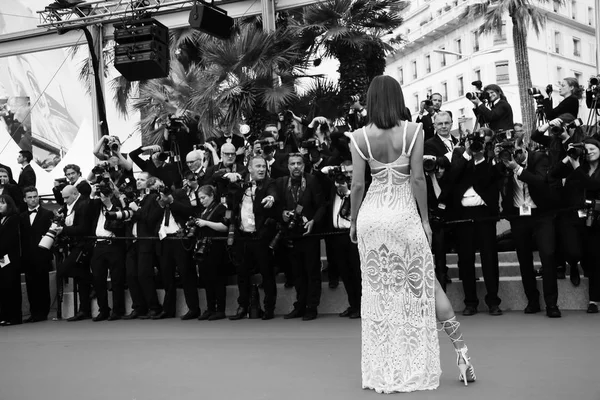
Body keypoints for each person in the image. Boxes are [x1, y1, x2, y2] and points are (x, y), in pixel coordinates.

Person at [349, 75, 475, 392]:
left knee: (380, 293)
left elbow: (358, 185)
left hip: (372, 219)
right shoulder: (413, 131)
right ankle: (462, 354)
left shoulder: (359, 137)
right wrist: (426, 221)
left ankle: (388, 365)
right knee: (426, 285)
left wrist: (352, 222)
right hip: (403, 216)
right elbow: (417, 179)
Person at [550, 138, 600, 313]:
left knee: (594, 260)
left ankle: (593, 300)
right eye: (587, 149)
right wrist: (567, 157)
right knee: (573, 251)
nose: (590, 151)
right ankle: (572, 264)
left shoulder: (582, 169)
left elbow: (593, 185)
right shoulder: (578, 165)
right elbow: (553, 174)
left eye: (593, 148)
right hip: (574, 217)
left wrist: (576, 166)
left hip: (596, 219)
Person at [192, 185, 229, 321]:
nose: (201, 200)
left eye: (204, 197)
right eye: (200, 198)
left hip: (216, 247)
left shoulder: (221, 208)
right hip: (203, 247)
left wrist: (206, 223)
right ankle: (210, 308)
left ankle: (220, 309)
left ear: (212, 195)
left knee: (218, 279)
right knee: (207, 279)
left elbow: (225, 227)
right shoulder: (203, 210)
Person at [20, 186, 54, 322]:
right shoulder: (21, 217)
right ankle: (34, 312)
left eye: (35, 196)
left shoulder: (47, 214)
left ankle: (43, 312)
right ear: (24, 199)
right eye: (30, 197)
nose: (33, 199)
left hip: (42, 255)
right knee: (30, 285)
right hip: (27, 256)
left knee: (43, 284)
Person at [0, 194, 22, 326]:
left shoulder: (13, 218)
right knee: (2, 286)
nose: (0, 205)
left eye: (2, 203)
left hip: (10, 257)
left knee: (11, 286)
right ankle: (4, 315)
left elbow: (9, 239)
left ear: (9, 204)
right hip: (2, 258)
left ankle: (14, 317)